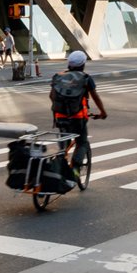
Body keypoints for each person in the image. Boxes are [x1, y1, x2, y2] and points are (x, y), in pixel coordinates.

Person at [50, 50, 106, 186]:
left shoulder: (58, 76)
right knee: (82, 142)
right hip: (77, 118)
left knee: (63, 146)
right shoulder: (85, 78)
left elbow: (52, 96)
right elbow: (95, 96)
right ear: (83, 64)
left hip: (59, 117)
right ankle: (75, 169)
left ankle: (59, 168)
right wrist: (102, 112)